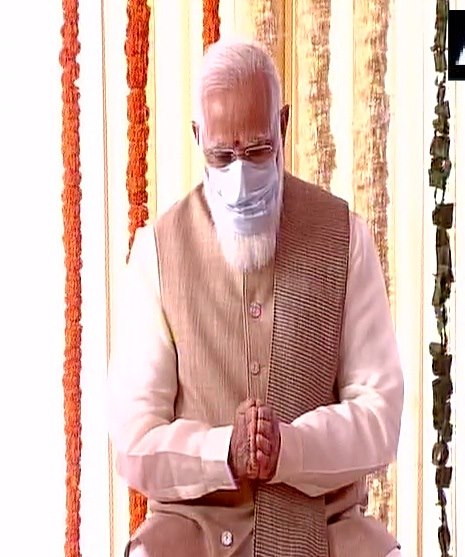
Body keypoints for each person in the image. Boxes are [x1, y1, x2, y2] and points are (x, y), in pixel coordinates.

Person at [108, 39, 404, 557]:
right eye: (222, 156)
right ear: (198, 137)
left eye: (257, 151)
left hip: (325, 526)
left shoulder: (345, 237)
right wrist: (223, 450)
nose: (240, 175)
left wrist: (290, 447)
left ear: (282, 126)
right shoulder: (156, 251)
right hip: (193, 533)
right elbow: (134, 442)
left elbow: (380, 418)